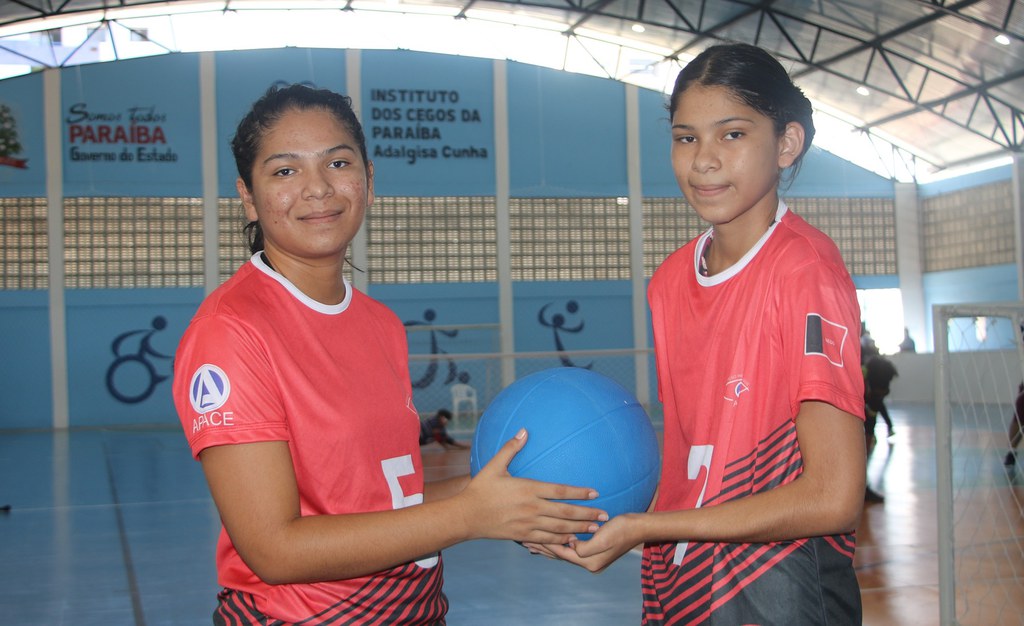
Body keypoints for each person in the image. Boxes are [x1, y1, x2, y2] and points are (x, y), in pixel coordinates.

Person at [172, 84, 606, 625]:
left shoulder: (378, 324)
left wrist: (513, 496)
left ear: (369, 181)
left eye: (337, 162)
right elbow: (273, 549)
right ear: (247, 195)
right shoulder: (231, 332)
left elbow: (385, 496)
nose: (318, 189)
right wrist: (470, 516)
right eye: (285, 171)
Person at [529, 43, 866, 624]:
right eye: (686, 138)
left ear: (787, 144)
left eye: (731, 135)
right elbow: (693, 458)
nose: (703, 160)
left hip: (776, 579)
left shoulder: (804, 271)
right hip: (679, 575)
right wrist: (610, 523)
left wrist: (648, 527)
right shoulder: (668, 281)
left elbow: (832, 497)